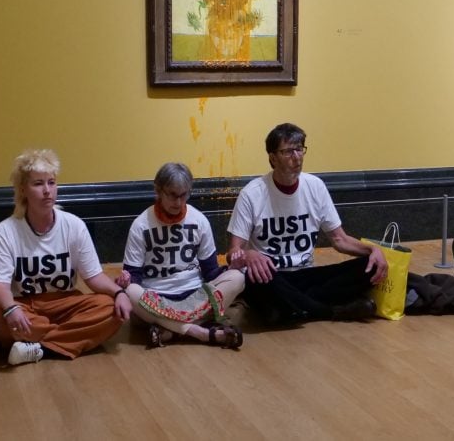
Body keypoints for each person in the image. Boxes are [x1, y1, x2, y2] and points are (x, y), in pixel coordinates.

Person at [226, 122, 388, 325]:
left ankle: (290, 309)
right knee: (253, 279)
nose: (297, 157)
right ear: (272, 158)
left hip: (306, 274)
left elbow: (340, 239)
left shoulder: (315, 186)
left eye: (300, 149)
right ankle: (331, 311)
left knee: (369, 267)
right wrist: (248, 255)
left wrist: (372, 250)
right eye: (288, 151)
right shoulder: (252, 194)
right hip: (272, 276)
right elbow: (233, 253)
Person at [0, 149, 131, 365]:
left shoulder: (74, 225)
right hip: (27, 305)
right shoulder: (5, 232)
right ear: (23, 189)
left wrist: (119, 292)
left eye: (51, 182)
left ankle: (38, 348)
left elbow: (93, 277)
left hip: (66, 302)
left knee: (111, 309)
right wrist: (12, 308)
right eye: (38, 184)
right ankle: (68, 339)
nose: (47, 191)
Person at [117, 162, 245, 348]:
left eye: (183, 195)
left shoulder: (199, 220)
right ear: (158, 191)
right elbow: (134, 277)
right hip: (157, 298)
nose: (178, 202)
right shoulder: (141, 225)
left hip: (195, 296)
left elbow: (210, 273)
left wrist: (231, 268)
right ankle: (200, 332)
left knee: (237, 277)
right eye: (172, 195)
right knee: (130, 292)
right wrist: (126, 280)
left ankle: (170, 330)